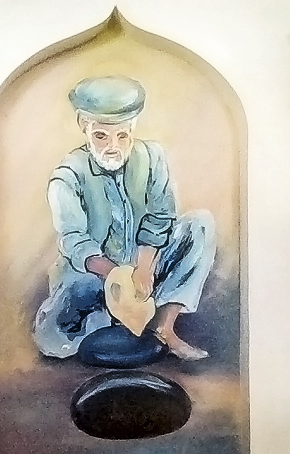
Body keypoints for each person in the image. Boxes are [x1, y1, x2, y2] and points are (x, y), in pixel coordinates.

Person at [33, 76, 216, 361]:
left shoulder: (152, 157)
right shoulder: (67, 176)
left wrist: (143, 268)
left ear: (132, 128)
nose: (112, 146)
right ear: (84, 126)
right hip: (94, 274)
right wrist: (120, 279)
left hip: (146, 266)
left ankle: (164, 328)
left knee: (200, 225)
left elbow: (161, 216)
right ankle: (114, 322)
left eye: (122, 136)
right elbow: (74, 240)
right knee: (53, 340)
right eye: (101, 136)